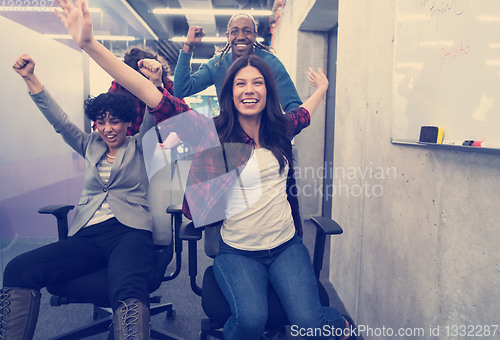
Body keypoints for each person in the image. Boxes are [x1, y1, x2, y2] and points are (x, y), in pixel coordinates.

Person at [53, 1, 351, 338]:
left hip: (286, 245)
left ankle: (337, 323)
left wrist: (322, 89)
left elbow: (306, 113)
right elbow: (151, 94)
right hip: (237, 250)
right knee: (250, 321)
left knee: (310, 324)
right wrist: (90, 45)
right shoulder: (211, 132)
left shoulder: (280, 128)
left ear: (268, 91)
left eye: (257, 83)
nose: (249, 90)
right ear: (229, 93)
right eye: (240, 84)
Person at [0, 53, 175, 339]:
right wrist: (31, 78)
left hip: (130, 232)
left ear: (127, 123)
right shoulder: (89, 145)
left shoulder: (140, 146)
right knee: (18, 269)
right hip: (89, 234)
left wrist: (155, 82)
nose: (108, 128)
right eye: (102, 122)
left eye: (115, 122)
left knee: (127, 287)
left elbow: (153, 113)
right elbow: (59, 121)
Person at [173, 13, 303, 112]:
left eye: (247, 31)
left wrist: (277, 141)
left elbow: (294, 107)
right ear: (228, 36)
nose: (240, 37)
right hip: (230, 141)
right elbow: (181, 90)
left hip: (263, 140)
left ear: (255, 35)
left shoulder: (271, 64)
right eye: (234, 32)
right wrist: (188, 46)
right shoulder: (217, 65)